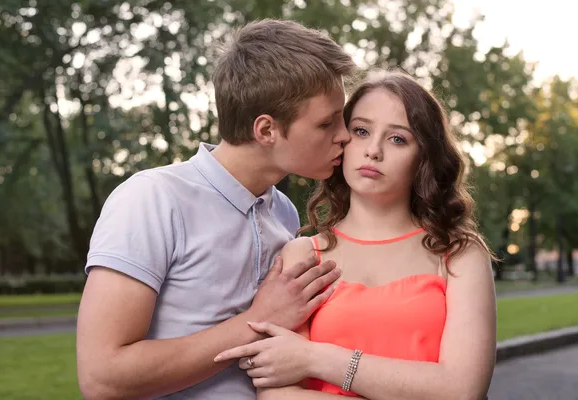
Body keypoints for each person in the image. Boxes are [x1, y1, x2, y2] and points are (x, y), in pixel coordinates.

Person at [76, 19, 357, 400]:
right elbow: (102, 377)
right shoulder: (152, 199)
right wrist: (258, 320)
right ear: (267, 131)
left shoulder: (284, 214)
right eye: (327, 122)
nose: (344, 134)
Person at [214, 70, 498, 400]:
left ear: (424, 158)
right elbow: (278, 396)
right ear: (342, 142)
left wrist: (315, 358)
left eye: (397, 139)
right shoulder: (302, 255)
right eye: (361, 131)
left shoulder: (459, 254)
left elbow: (462, 390)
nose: (373, 150)